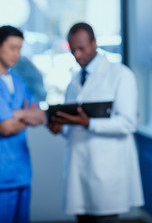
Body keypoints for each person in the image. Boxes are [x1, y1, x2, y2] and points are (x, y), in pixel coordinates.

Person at [48, 22, 144, 223]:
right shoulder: (74, 80)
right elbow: (71, 123)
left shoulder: (121, 75)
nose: (77, 54)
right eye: (73, 49)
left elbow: (128, 123)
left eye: (82, 48)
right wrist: (60, 128)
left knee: (105, 218)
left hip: (107, 172)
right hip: (79, 170)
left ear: (94, 43)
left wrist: (89, 123)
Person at [0, 25, 46, 223]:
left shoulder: (19, 81)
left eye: (20, 48)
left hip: (21, 172)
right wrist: (25, 114)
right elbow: (5, 127)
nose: (17, 54)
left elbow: (40, 116)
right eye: (12, 47)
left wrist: (16, 114)